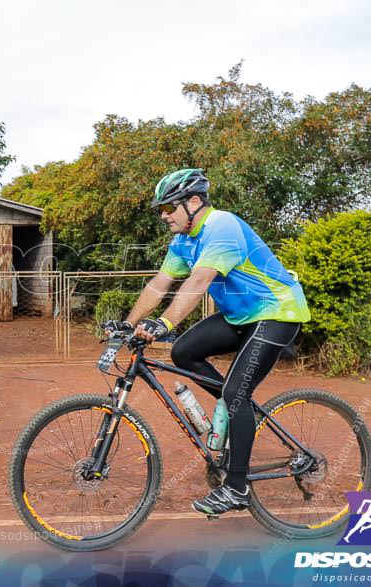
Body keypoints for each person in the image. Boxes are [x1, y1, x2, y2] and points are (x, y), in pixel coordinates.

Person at [104, 168, 310, 516]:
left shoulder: (222, 227)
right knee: (184, 351)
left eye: (169, 208)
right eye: (161, 210)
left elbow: (199, 281)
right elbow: (159, 283)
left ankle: (237, 487)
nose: (163, 215)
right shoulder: (183, 240)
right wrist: (128, 323)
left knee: (235, 394)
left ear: (194, 202)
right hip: (240, 315)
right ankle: (235, 413)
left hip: (278, 311)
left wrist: (165, 322)